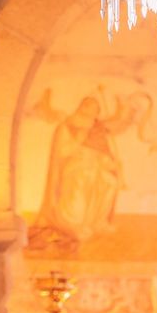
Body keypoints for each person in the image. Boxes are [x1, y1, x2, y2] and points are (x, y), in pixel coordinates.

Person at [29, 95, 133, 249]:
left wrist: (110, 163)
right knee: (84, 176)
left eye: (95, 110)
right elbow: (62, 152)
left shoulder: (97, 129)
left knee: (110, 182)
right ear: (82, 107)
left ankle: (99, 221)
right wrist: (77, 140)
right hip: (74, 167)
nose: (92, 112)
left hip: (96, 166)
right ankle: (74, 222)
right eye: (89, 107)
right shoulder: (67, 126)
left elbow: (103, 152)